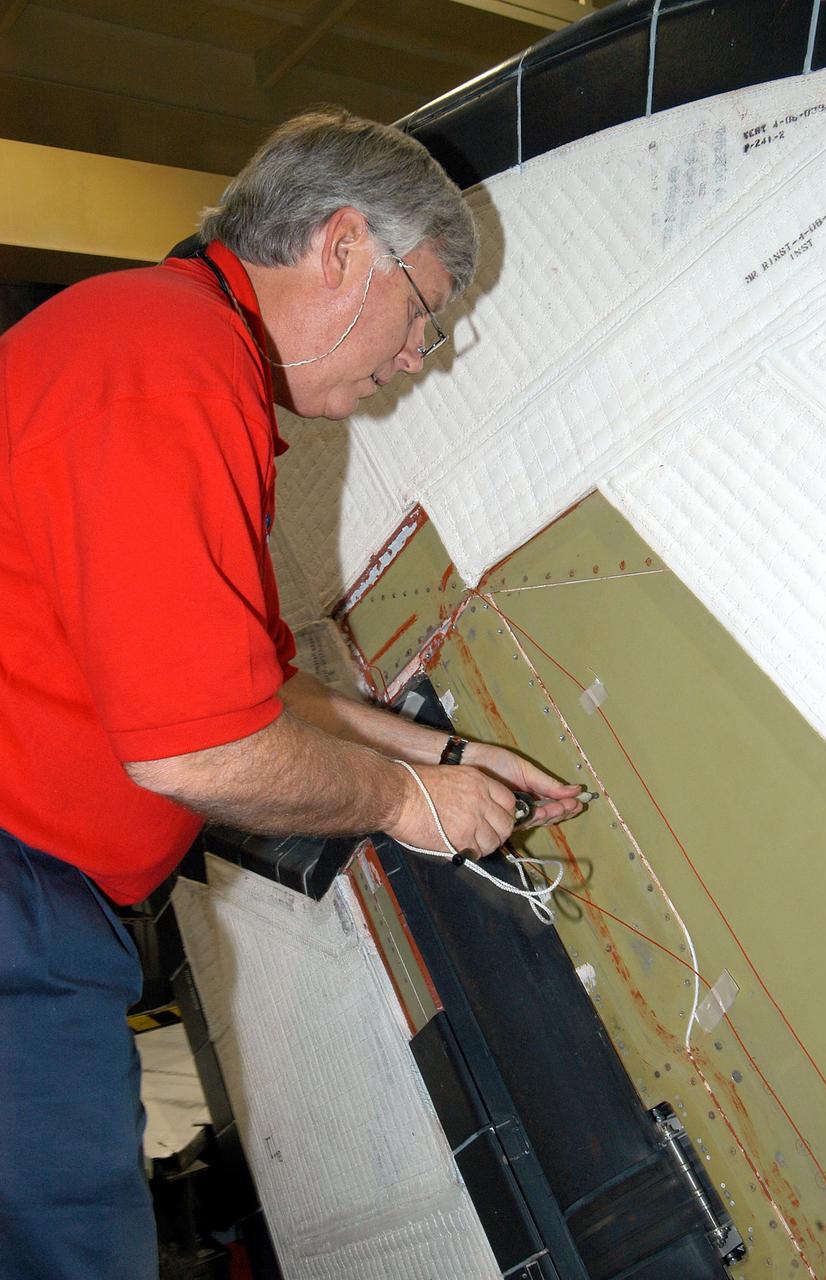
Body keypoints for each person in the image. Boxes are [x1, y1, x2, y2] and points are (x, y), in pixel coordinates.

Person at [0, 108, 583, 1279]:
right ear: (342, 247)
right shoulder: (173, 363)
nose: (416, 356)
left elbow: (256, 685)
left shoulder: (152, 341)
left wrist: (443, 759)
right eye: (422, 312)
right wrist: (402, 802)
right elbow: (197, 749)